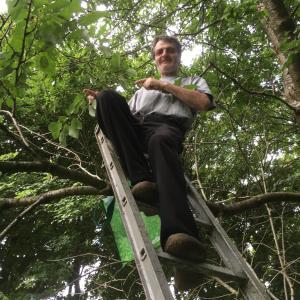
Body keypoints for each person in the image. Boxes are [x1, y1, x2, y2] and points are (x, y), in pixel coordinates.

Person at [84, 35, 215, 290]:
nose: (164, 55)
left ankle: (182, 237)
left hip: (166, 128)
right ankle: (141, 178)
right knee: (109, 98)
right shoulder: (140, 91)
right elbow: (123, 121)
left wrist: (163, 86)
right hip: (139, 128)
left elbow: (203, 103)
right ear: (155, 58)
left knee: (161, 141)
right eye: (159, 52)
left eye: (169, 51)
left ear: (178, 55)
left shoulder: (192, 81)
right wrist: (99, 102)